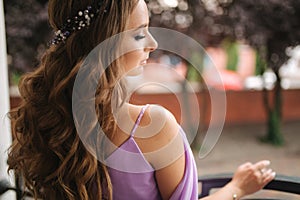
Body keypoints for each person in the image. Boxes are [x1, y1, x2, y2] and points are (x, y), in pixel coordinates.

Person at [7, 0, 276, 199]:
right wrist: (236, 188)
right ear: (105, 42)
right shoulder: (152, 127)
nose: (153, 43)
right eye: (139, 33)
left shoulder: (42, 120)